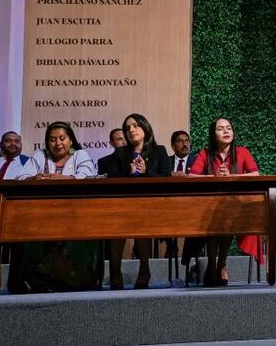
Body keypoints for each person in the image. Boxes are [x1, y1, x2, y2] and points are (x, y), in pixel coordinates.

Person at [8, 122, 101, 293]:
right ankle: (34, 281)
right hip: (43, 212)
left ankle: (73, 282)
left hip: (74, 212)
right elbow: (21, 177)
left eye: (62, 138)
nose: (57, 143)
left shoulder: (79, 154)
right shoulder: (40, 155)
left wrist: (61, 178)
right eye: (52, 140)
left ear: (71, 140)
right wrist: (33, 178)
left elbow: (87, 176)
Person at [187, 118, 261, 286]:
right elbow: (192, 176)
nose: (226, 131)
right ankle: (213, 264)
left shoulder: (242, 152)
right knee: (215, 220)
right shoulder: (205, 153)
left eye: (229, 128)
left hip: (235, 205)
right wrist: (215, 177)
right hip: (210, 206)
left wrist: (231, 176)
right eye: (220, 129)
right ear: (213, 134)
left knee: (227, 219)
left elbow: (255, 174)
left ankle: (220, 264)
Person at [104, 114, 172, 289]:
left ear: (145, 127)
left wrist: (146, 172)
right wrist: (128, 172)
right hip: (122, 204)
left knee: (142, 222)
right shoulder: (120, 153)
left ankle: (144, 270)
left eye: (135, 126)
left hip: (150, 204)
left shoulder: (159, 151)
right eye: (127, 128)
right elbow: (111, 179)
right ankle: (115, 273)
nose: (131, 130)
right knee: (116, 225)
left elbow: (166, 179)